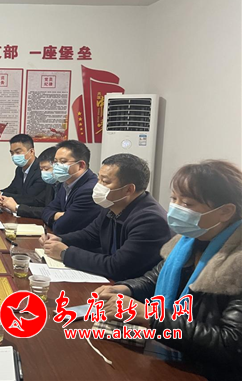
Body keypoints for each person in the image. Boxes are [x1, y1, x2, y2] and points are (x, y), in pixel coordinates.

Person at [95, 160, 242, 380]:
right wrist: (125, 289)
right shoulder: (189, 240)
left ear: (225, 211)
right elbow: (153, 279)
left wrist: (151, 317)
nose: (176, 209)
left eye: (188, 203)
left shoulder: (236, 260)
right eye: (174, 199)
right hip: (172, 353)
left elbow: (230, 344)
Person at [40, 154, 172, 280]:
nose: (97, 186)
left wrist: (65, 253)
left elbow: (117, 266)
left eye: (105, 182)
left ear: (129, 190)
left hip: (132, 289)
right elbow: (90, 235)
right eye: (98, 179)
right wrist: (60, 239)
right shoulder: (111, 205)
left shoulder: (150, 220)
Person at [38, 140, 101, 235]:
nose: (57, 166)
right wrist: (57, 215)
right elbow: (46, 210)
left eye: (63, 161)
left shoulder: (89, 190)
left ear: (81, 165)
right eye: (55, 162)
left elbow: (61, 227)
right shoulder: (66, 182)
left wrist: (54, 217)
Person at [0, 134, 48, 206]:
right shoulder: (19, 169)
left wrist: (0, 194)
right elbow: (13, 189)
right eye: (12, 153)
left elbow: (29, 198)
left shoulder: (41, 170)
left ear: (31, 151)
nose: (14, 156)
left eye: (18, 152)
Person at [0, 146, 58, 212]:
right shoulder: (51, 184)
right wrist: (9, 202)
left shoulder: (62, 186)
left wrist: (17, 208)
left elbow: (49, 211)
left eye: (46, 169)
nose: (43, 173)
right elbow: (38, 201)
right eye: (41, 169)